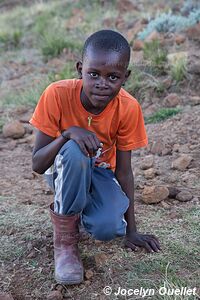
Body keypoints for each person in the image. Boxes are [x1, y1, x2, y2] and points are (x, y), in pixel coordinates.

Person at [29, 29, 161, 285]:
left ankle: (80, 213)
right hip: (62, 168)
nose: (102, 83)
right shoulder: (56, 94)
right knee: (75, 150)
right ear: (80, 69)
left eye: (113, 76)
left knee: (108, 227)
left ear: (126, 77)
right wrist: (66, 135)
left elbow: (123, 171)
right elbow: (38, 163)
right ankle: (65, 244)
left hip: (100, 171)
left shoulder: (128, 107)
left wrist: (131, 230)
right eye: (93, 74)